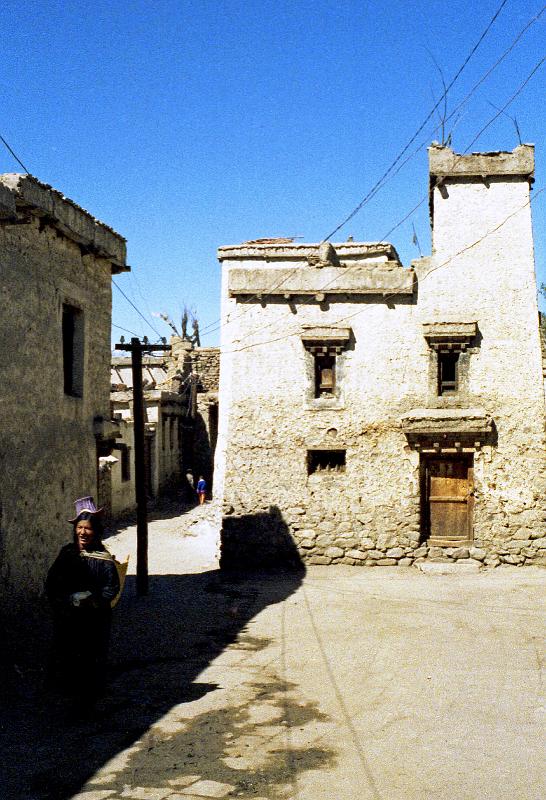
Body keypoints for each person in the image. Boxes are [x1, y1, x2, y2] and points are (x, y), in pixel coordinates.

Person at [45, 496, 120, 712]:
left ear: (95, 530)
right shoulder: (67, 554)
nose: (82, 533)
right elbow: (53, 581)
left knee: (91, 658)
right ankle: (65, 700)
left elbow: (111, 587)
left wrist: (93, 602)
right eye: (79, 527)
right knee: (66, 656)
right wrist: (63, 600)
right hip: (68, 617)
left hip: (94, 620)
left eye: (87, 528)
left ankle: (88, 703)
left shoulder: (103, 559)